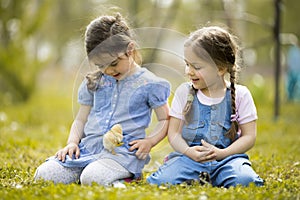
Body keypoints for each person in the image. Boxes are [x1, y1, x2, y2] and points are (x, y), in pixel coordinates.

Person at [34, 13, 170, 186]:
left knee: (92, 178)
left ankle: (124, 177)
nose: (108, 70)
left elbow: (165, 119)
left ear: (130, 49)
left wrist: (149, 142)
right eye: (100, 65)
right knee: (45, 174)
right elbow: (80, 119)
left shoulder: (149, 83)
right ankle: (88, 169)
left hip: (122, 154)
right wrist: (72, 143)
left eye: (113, 63)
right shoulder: (95, 81)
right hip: (87, 149)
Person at [147, 26, 264, 188]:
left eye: (197, 67)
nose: (189, 71)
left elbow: (249, 136)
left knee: (246, 181)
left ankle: (217, 175)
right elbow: (173, 133)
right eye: (187, 64)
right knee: (161, 181)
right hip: (189, 159)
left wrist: (223, 153)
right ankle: (193, 173)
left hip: (228, 159)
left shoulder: (241, 94)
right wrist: (188, 152)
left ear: (221, 68)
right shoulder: (183, 92)